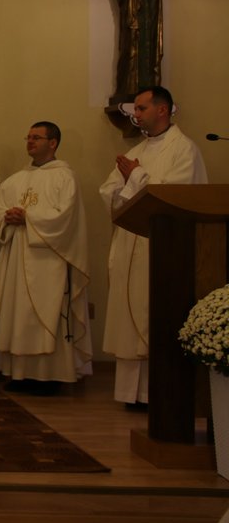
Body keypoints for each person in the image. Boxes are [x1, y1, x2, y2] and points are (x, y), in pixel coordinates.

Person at [100, 86, 207, 405]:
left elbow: (176, 196)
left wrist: (135, 177)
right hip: (131, 243)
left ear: (162, 110)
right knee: (130, 311)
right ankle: (131, 393)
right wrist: (126, 183)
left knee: (155, 312)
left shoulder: (184, 150)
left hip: (163, 247)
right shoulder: (137, 151)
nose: (135, 114)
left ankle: (157, 394)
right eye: (135, 109)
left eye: (141, 108)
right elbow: (109, 192)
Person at [0, 122, 91, 394]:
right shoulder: (15, 180)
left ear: (53, 143)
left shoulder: (65, 178)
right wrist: (5, 218)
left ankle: (50, 376)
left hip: (48, 261)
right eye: (28, 137)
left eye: (37, 137)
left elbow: (66, 218)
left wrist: (28, 218)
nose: (30, 142)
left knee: (45, 314)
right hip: (16, 258)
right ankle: (20, 374)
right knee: (18, 315)